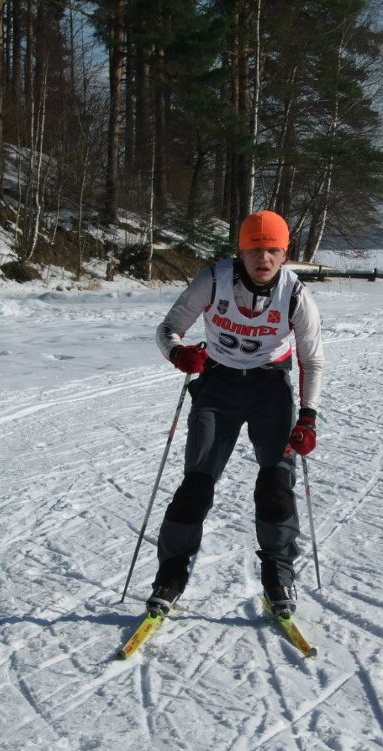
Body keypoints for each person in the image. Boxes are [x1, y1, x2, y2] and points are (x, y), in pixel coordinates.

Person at [147, 210, 324, 619]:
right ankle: (170, 576)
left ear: (285, 254)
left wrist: (308, 417)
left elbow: (312, 361)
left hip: (270, 389)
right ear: (241, 252)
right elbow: (167, 328)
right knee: (196, 485)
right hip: (218, 386)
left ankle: (278, 577)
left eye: (273, 250)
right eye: (255, 249)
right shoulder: (214, 279)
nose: (264, 258)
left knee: (276, 484)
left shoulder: (296, 295)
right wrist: (178, 354)